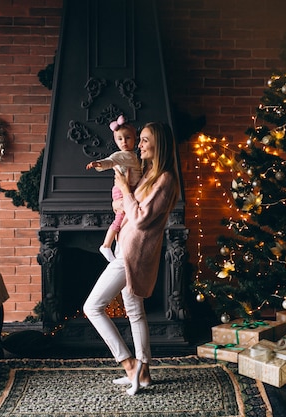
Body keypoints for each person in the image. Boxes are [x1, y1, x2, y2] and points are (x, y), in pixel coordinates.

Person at [83, 121, 181, 395]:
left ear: (158, 144)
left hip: (131, 253)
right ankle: (144, 372)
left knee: (92, 307)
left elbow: (139, 218)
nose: (139, 144)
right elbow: (126, 206)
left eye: (145, 140)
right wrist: (123, 196)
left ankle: (129, 365)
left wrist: (124, 189)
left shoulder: (165, 179)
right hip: (129, 248)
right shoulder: (149, 173)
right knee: (134, 312)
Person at [86, 115, 142, 262]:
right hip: (121, 189)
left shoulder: (134, 156)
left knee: (123, 216)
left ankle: (112, 244)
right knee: (120, 217)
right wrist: (98, 163)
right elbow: (110, 161)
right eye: (120, 139)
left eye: (127, 138)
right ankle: (106, 245)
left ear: (135, 138)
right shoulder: (121, 155)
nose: (124, 142)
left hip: (126, 189)